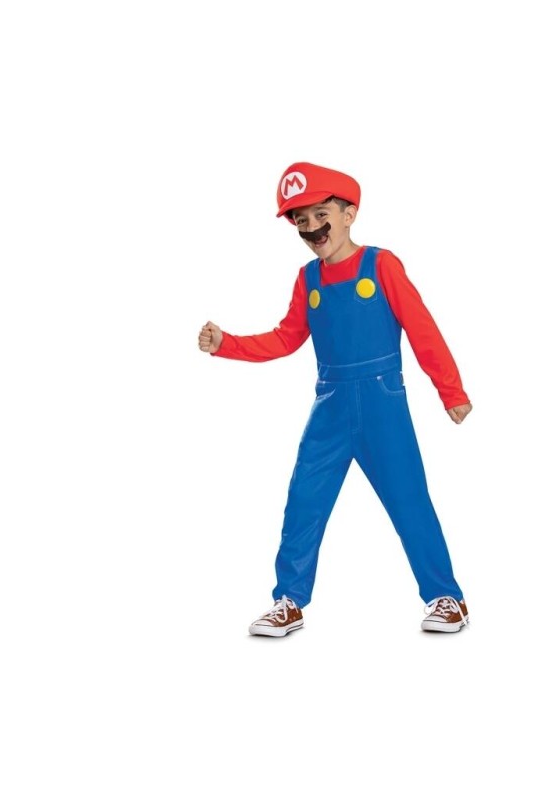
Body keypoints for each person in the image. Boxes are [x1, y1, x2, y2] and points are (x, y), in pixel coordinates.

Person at [198, 162, 473, 636]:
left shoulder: (381, 265)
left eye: (321, 214)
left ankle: (447, 597)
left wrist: (450, 389)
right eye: (301, 220)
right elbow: (286, 338)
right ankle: (288, 600)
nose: (312, 228)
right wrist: (227, 343)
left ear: (349, 214)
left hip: (382, 403)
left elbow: (421, 328)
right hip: (330, 405)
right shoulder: (308, 279)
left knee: (408, 499)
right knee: (304, 500)